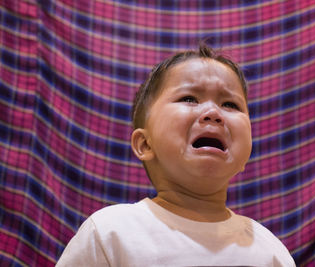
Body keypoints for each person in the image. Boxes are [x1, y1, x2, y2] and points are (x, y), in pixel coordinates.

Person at [56, 43, 296, 266]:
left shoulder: (270, 250)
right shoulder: (110, 232)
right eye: (189, 98)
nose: (213, 112)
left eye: (230, 105)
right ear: (145, 144)